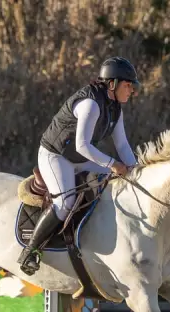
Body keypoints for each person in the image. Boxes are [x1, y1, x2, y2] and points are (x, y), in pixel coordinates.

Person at [18, 57, 141, 276]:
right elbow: (82, 145)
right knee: (65, 202)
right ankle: (30, 250)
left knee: (115, 182)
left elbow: (122, 144)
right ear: (112, 84)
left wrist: (137, 173)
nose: (131, 90)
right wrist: (113, 164)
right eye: (128, 85)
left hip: (78, 156)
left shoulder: (115, 109)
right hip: (55, 155)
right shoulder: (91, 104)